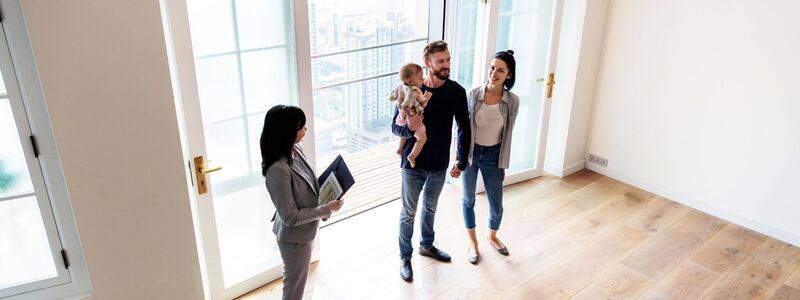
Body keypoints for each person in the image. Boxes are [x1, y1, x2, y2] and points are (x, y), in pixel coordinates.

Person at [391, 40, 471, 282]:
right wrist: (410, 130)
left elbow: (464, 128)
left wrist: (461, 159)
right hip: (412, 164)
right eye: (440, 61)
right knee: (408, 212)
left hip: (438, 164)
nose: (446, 65)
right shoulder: (408, 89)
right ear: (427, 63)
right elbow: (395, 127)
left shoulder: (456, 91)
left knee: (430, 208)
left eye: (448, 60)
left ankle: (427, 245)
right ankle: (405, 257)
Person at [260, 104, 344, 300]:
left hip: (304, 232)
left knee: (297, 284)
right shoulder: (277, 169)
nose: (306, 130)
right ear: (287, 131)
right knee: (293, 290)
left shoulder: (295, 149)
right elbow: (289, 217)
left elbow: (307, 185)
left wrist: (329, 194)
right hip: (294, 239)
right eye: (301, 126)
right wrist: (325, 208)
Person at [461, 50, 519, 264]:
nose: (494, 73)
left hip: (493, 156)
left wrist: (503, 163)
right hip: (471, 154)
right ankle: (473, 243)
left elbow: (508, 135)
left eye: (500, 70)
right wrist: (459, 159)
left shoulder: (512, 101)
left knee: (497, 206)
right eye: (492, 67)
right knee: (468, 200)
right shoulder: (473, 94)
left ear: (509, 75)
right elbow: (463, 130)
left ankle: (492, 236)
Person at [389, 63, 432, 167]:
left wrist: (397, 103)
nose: (422, 80)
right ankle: (412, 155)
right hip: (412, 117)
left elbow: (392, 97)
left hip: (402, 117)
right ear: (410, 81)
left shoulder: (400, 87)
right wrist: (426, 98)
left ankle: (399, 149)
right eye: (421, 78)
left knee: (404, 135)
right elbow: (413, 103)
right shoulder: (414, 91)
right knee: (422, 139)